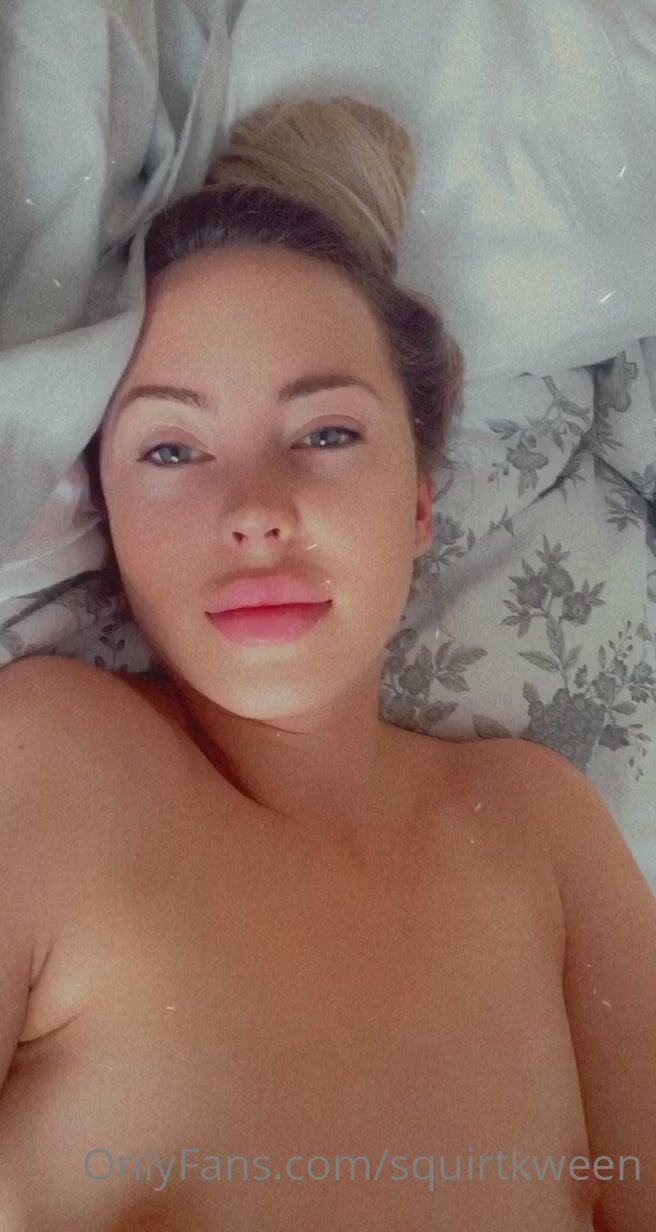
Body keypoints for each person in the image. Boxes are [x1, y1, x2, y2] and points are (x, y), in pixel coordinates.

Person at [0, 96, 654, 1232]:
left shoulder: (540, 827)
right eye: (172, 448)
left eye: (327, 432)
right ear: (105, 512)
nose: (255, 509)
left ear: (418, 505)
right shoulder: (46, 759)